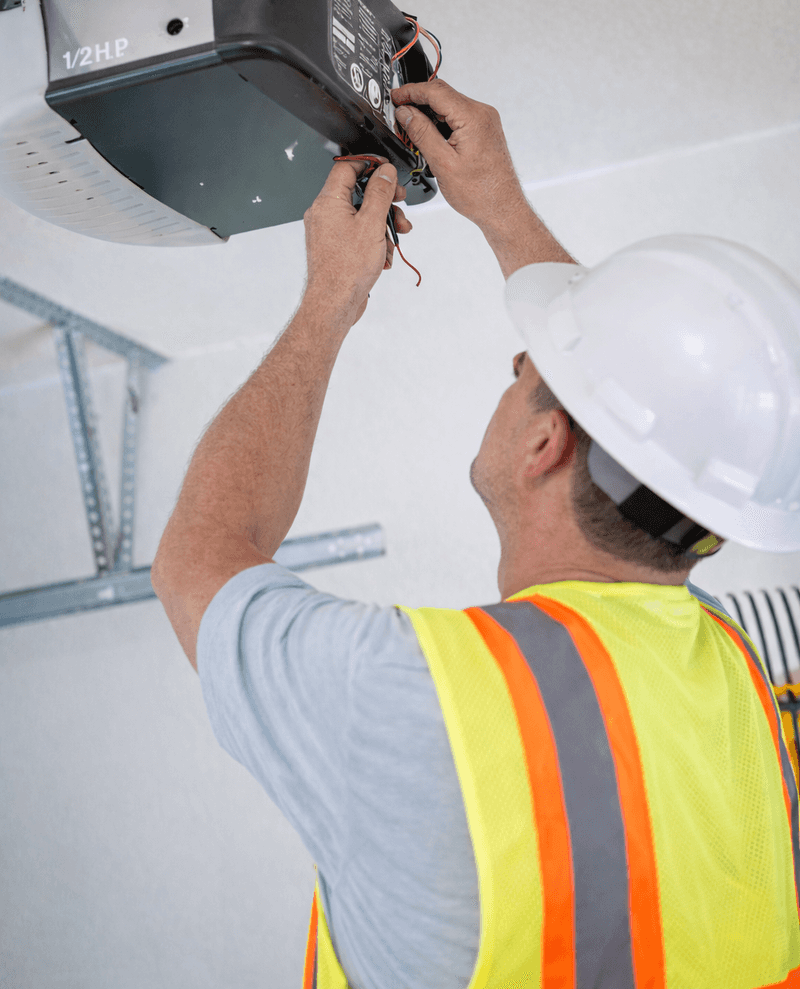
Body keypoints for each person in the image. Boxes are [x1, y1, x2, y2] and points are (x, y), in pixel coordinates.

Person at [151, 78, 800, 989]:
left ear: (544, 443)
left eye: (522, 369)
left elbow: (199, 556)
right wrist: (501, 212)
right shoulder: (762, 674)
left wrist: (327, 303)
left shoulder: (409, 693)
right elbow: (667, 427)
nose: (516, 374)